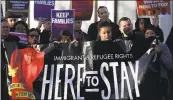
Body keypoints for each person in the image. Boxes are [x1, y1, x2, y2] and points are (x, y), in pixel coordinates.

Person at [139, 25, 173, 100]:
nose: (149, 35)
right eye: (147, 33)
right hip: (143, 81)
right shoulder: (140, 46)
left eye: (152, 33)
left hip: (158, 81)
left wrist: (160, 54)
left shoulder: (162, 46)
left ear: (156, 35)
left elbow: (170, 65)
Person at [1, 18, 20, 100]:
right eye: (3, 27)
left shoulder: (14, 39)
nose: (6, 29)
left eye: (7, 27)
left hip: (10, 75)